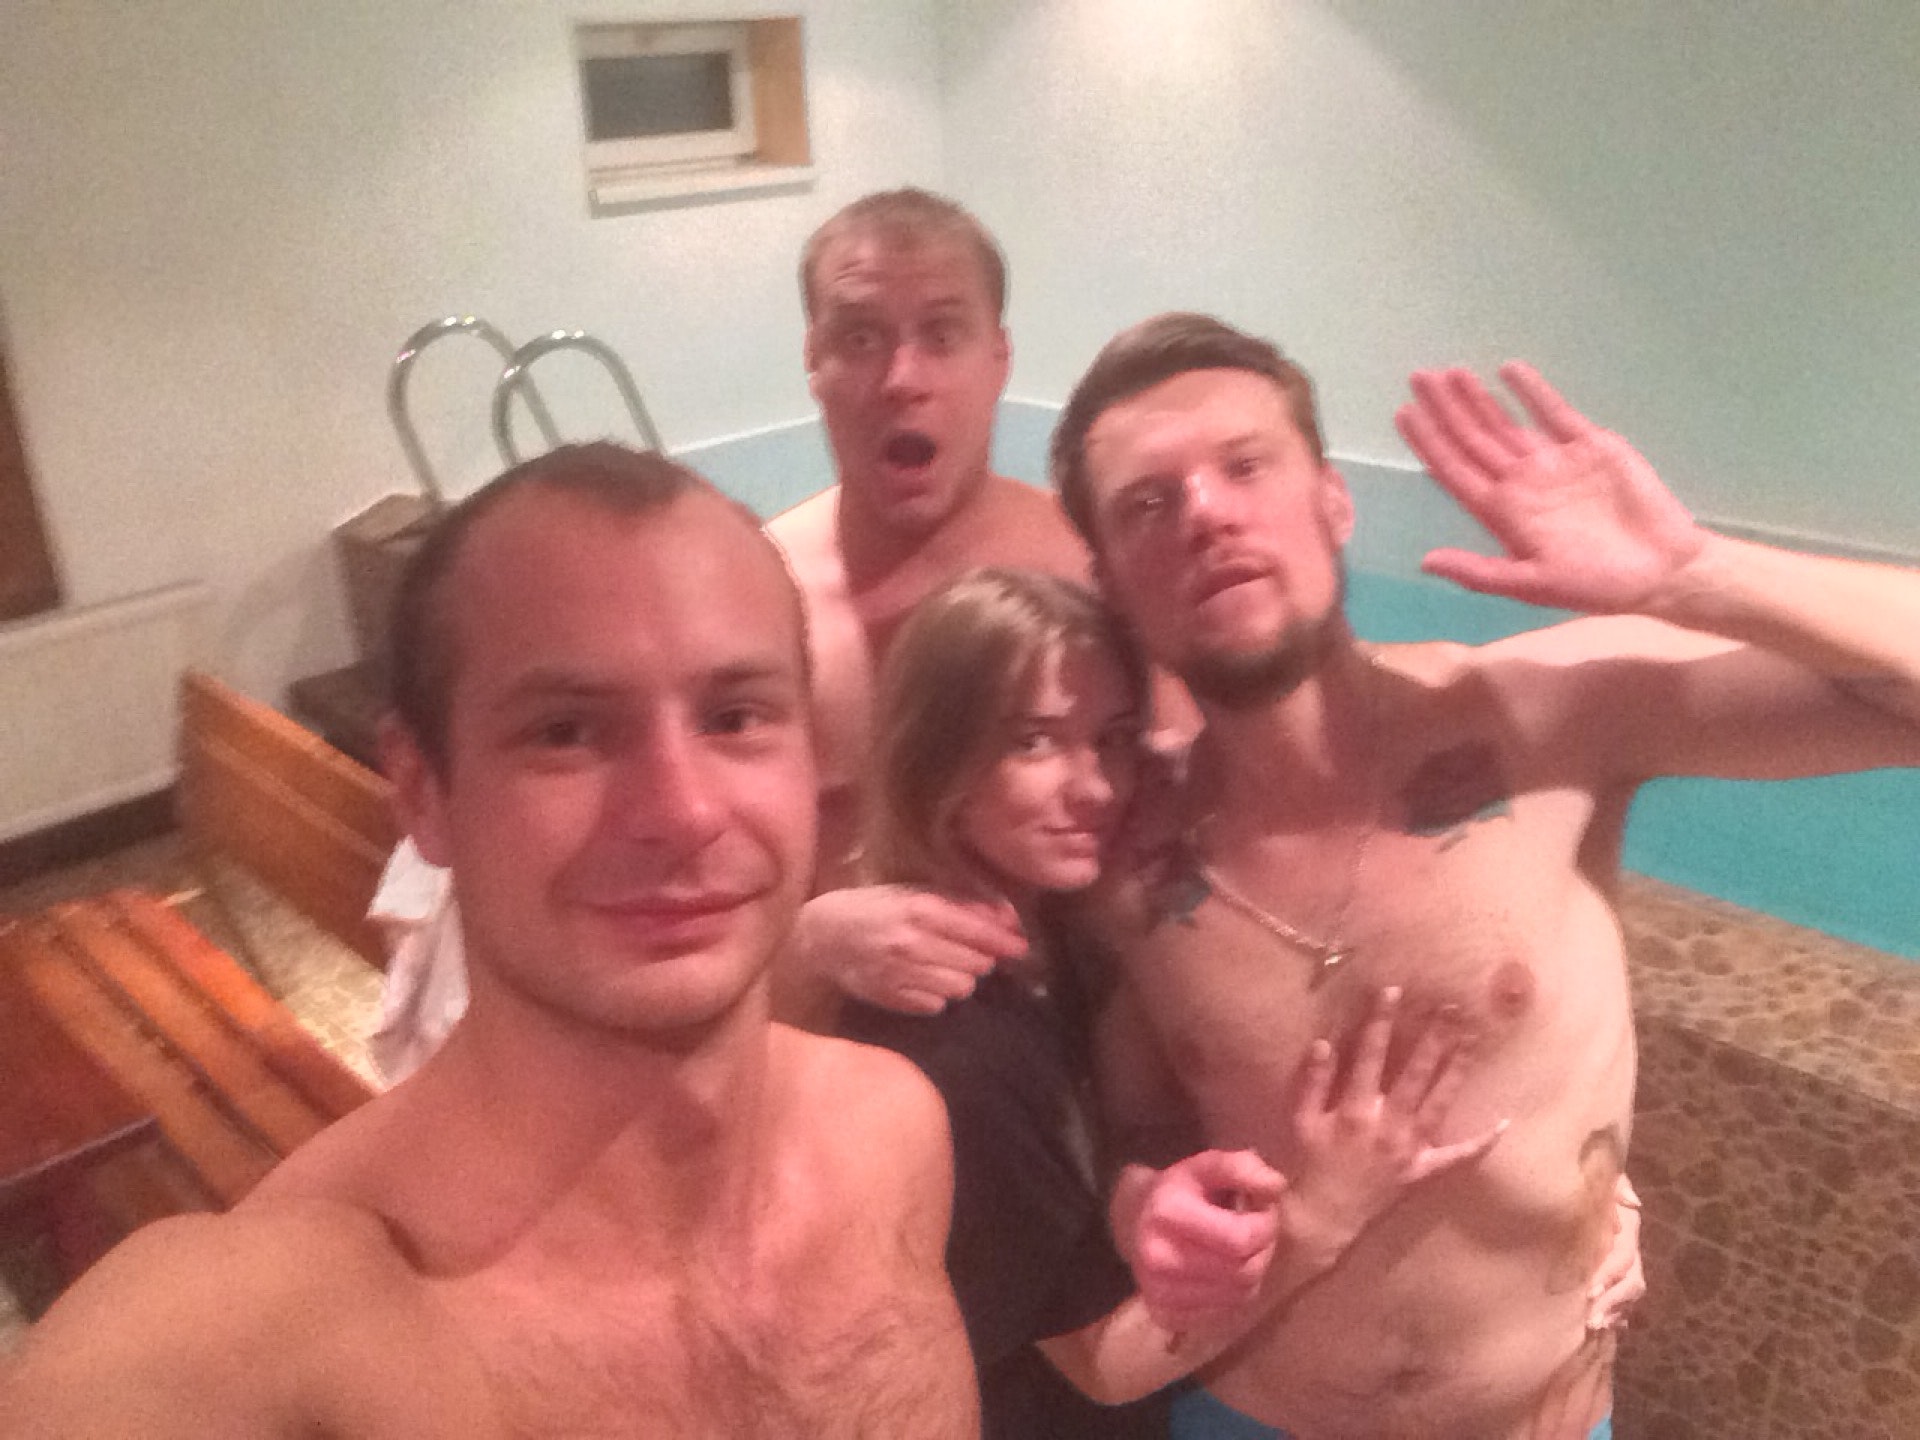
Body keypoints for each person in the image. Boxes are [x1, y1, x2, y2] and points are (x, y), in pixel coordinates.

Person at [1042, 314, 1920, 1440]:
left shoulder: (1543, 718)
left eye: (1245, 465)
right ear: (1112, 585)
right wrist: (1145, 1207)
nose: (1206, 512)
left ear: (1333, 500)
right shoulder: (1120, 859)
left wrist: (1700, 575)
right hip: (1250, 1415)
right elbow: (1131, 1124)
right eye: (1147, 504)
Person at [0, 444, 979, 1438]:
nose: (682, 812)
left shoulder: (895, 1135)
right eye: (566, 732)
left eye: (734, 716)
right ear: (423, 791)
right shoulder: (276, 1333)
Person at [370, 188, 1101, 1071]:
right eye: (860, 338)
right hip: (795, 1042)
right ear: (814, 362)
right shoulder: (750, 600)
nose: (901, 377)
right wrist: (813, 942)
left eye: (942, 336)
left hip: (1056, 1042)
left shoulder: (1091, 579)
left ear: (998, 359)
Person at [837, 567, 1509, 1439]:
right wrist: (1324, 1216)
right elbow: (1100, 1364)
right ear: (938, 763)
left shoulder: (1051, 937)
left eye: (1114, 738)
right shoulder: (954, 1055)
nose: (1095, 786)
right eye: (1033, 742)